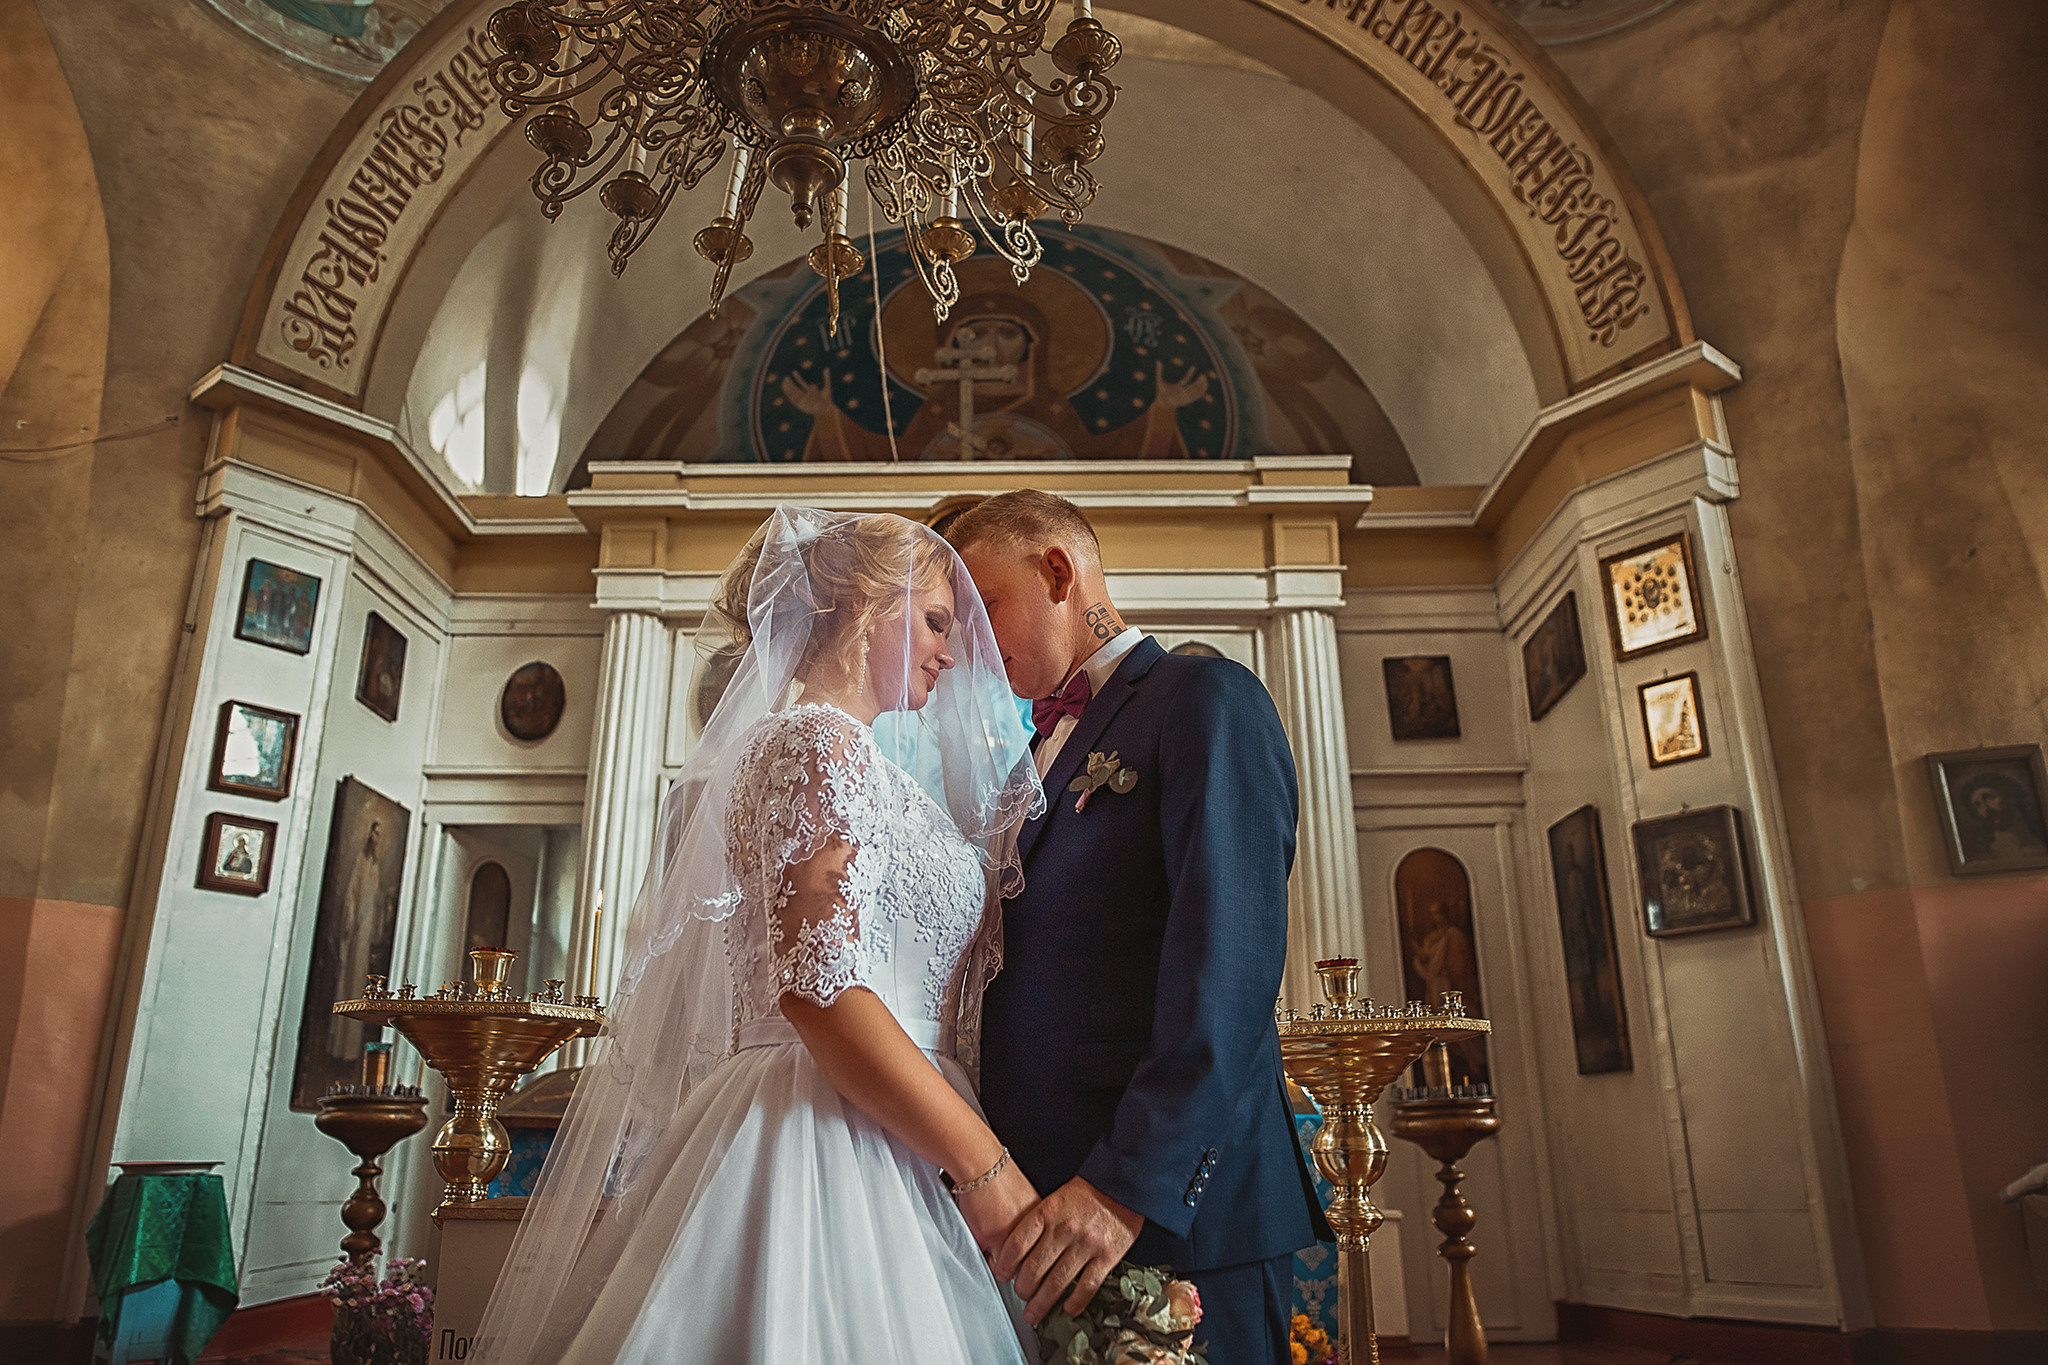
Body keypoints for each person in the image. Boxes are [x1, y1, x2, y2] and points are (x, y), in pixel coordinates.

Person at [473, 508, 1044, 1365]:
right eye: (933, 620)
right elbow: (820, 991)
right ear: (863, 605)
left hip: (893, 1121)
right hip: (827, 1129)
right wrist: (985, 1167)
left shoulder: (841, 755)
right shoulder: (818, 746)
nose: (954, 651)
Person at [947, 489, 1330, 1364]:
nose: (972, 640)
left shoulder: (1204, 697)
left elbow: (1227, 966)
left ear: (1057, 572)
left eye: (985, 606)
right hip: (1052, 1217)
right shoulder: (1030, 752)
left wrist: (1126, 1185)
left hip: (1169, 1216)